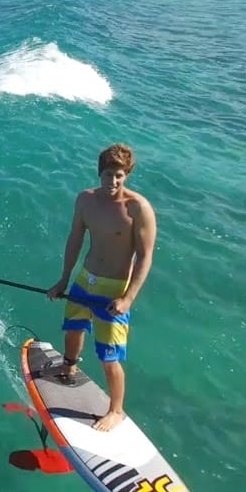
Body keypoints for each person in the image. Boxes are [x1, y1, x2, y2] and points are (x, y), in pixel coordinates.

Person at [46, 143, 156, 432]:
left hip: (114, 289)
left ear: (127, 175)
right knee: (72, 329)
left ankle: (116, 410)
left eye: (120, 175)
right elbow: (75, 239)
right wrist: (63, 279)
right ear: (99, 173)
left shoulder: (138, 208)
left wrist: (128, 298)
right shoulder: (85, 200)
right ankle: (69, 366)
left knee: (110, 356)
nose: (114, 181)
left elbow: (145, 257)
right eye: (109, 174)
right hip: (86, 280)